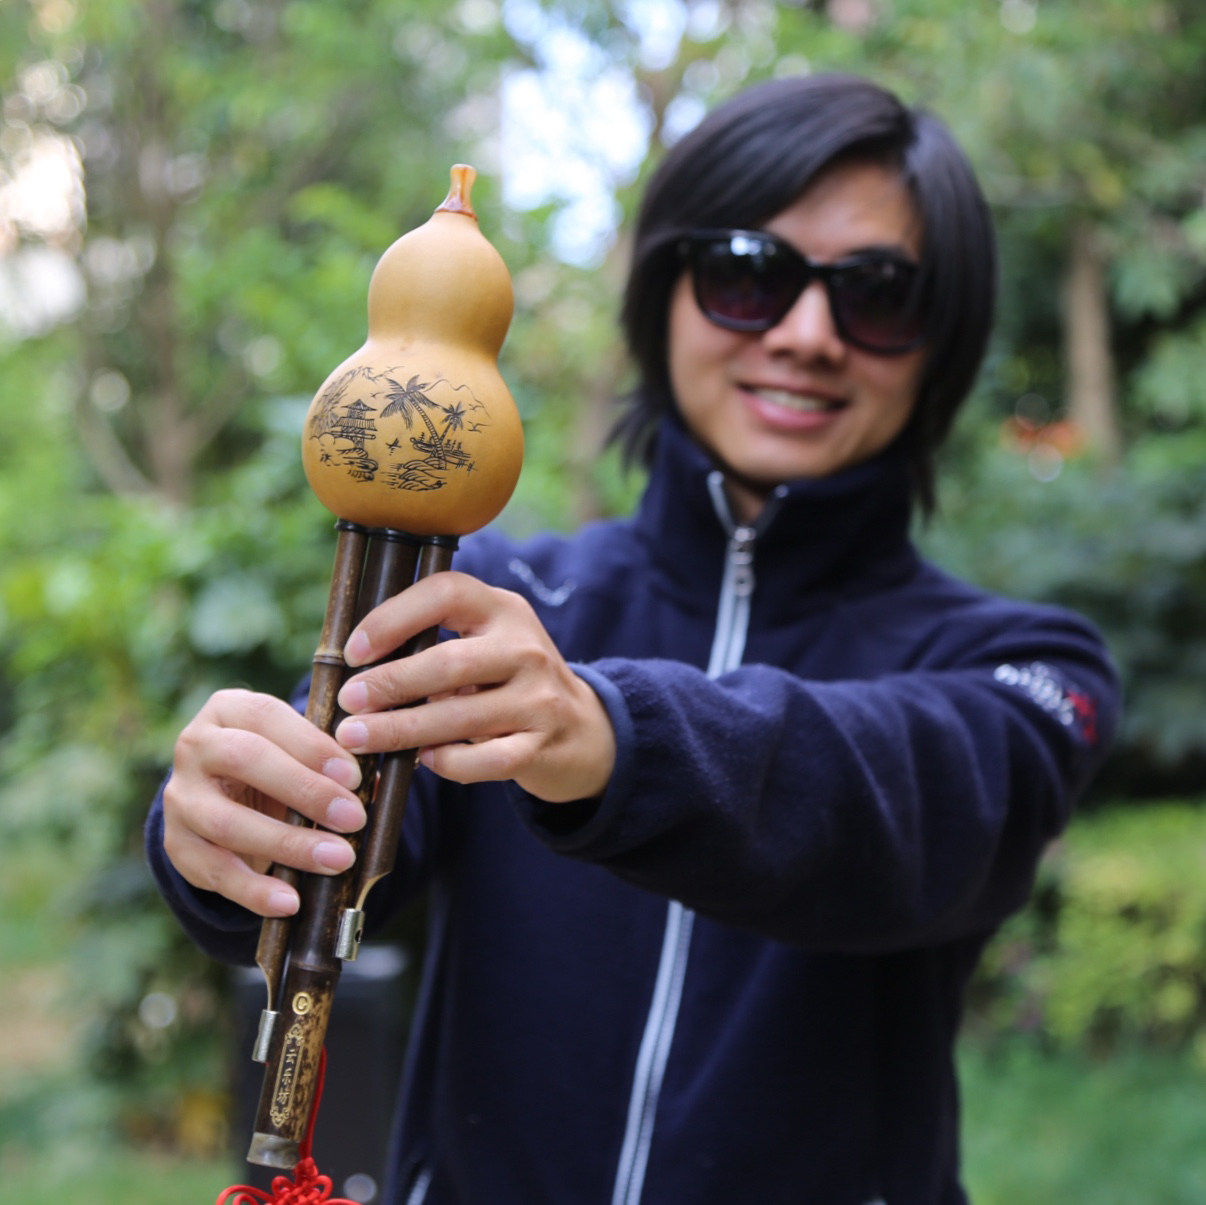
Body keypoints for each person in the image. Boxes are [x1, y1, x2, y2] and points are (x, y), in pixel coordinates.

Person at [147, 73, 1119, 1204]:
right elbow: (337, 849)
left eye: (879, 293)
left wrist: (616, 738)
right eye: (748, 273)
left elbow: (914, 802)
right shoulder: (495, 601)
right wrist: (233, 828)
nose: (808, 335)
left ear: (941, 339)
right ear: (665, 293)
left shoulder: (1027, 667)